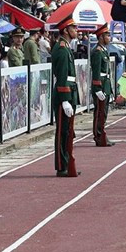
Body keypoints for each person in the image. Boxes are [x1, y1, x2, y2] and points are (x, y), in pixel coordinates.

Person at [52, 15, 79, 177]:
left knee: (67, 132)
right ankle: (62, 165)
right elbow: (62, 76)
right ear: (66, 30)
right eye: (73, 28)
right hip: (64, 95)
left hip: (69, 92)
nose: (76, 30)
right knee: (62, 131)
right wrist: (65, 100)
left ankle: (67, 162)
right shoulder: (62, 49)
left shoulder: (66, 47)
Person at [90, 23, 114, 147]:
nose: (109, 38)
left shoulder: (103, 51)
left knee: (103, 113)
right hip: (100, 86)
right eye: (107, 35)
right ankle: (98, 136)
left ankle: (102, 134)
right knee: (99, 112)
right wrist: (98, 88)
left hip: (105, 85)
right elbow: (96, 72)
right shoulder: (98, 52)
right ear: (100, 37)